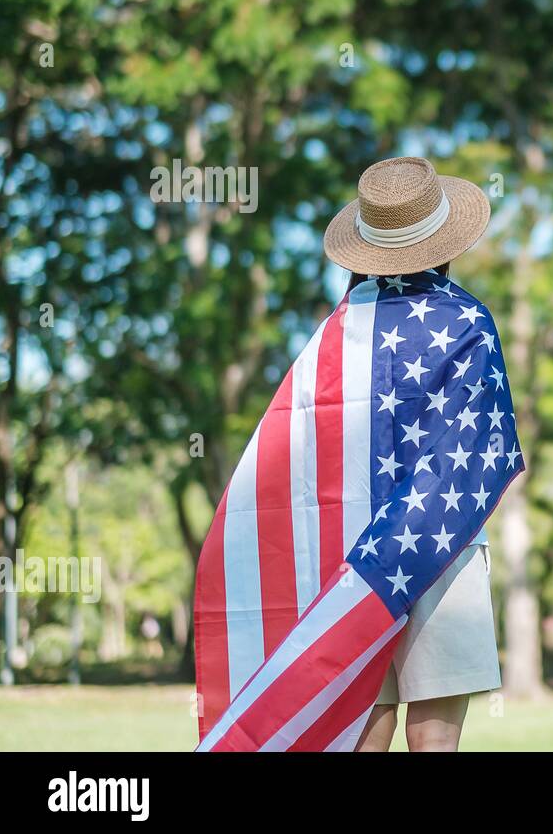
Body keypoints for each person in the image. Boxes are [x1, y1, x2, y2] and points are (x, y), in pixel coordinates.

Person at [194, 156, 521, 752]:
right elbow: (480, 447)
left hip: (353, 556)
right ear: (444, 238)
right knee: (434, 741)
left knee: (361, 734)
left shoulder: (336, 331)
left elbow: (298, 446)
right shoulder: (470, 321)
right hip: (445, 545)